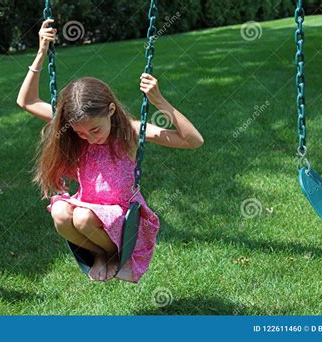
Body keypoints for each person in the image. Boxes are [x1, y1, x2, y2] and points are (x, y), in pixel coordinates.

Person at [16, 19, 204, 283]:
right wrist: (40, 53)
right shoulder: (74, 125)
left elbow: (193, 140)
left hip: (122, 217)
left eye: (94, 130)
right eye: (81, 133)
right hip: (87, 204)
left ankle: (113, 254)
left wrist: (159, 100)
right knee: (60, 214)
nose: (89, 139)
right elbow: (26, 101)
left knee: (81, 218)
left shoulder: (129, 131)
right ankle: (101, 254)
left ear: (111, 110)